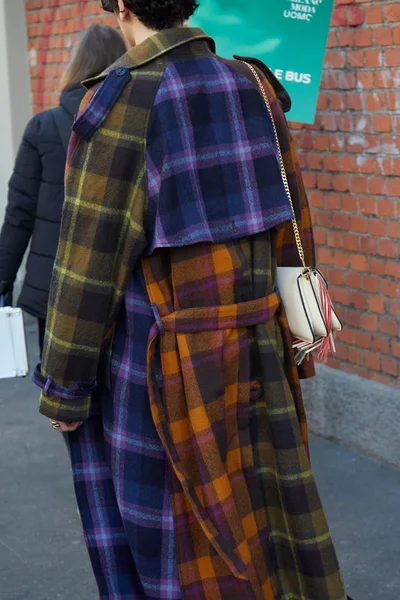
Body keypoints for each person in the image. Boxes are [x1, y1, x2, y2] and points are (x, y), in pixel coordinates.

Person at [32, 1, 350, 598]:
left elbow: (86, 266)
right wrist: (299, 343)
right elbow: (294, 228)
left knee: (182, 550)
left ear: (122, 7)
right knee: (267, 522)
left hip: (162, 372)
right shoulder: (254, 84)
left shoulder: (120, 102)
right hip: (258, 353)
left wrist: (65, 391)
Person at [0, 24, 126, 355]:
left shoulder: (42, 127)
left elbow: (19, 214)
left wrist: (3, 279)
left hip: (55, 284)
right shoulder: (135, 123)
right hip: (119, 282)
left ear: (76, 65)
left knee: (59, 386)